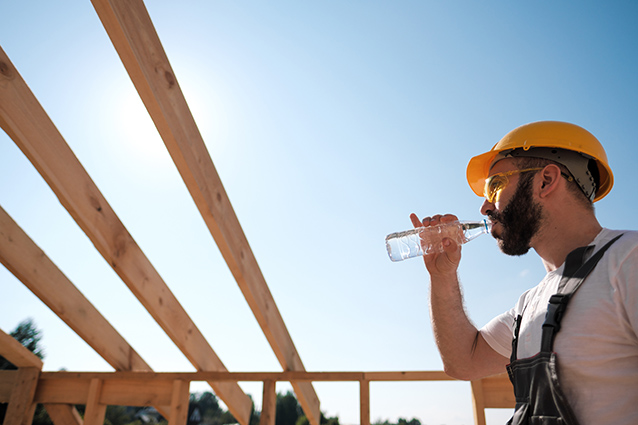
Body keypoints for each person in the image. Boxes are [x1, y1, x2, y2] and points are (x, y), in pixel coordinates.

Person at [411, 121, 638, 425]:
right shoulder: (529, 304)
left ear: (545, 180)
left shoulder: (627, 261)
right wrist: (443, 276)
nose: (484, 207)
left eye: (495, 186)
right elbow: (462, 361)